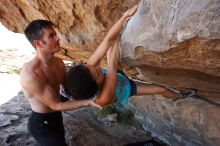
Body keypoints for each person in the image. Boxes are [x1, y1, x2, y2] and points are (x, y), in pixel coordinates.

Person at [64, 3, 196, 109]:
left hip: (115, 75)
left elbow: (107, 41)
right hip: (124, 89)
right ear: (95, 86)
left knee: (114, 39)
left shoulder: (89, 70)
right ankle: (180, 96)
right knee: (160, 89)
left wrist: (124, 16)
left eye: (91, 67)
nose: (97, 68)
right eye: (98, 74)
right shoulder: (103, 98)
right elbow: (112, 64)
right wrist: (116, 36)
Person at [20, 20, 101, 146]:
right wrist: (88, 102)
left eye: (55, 34)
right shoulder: (31, 74)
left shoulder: (58, 63)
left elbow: (70, 88)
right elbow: (56, 105)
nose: (58, 38)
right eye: (51, 36)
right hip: (41, 123)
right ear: (38, 43)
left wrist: (96, 82)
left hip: (56, 116)